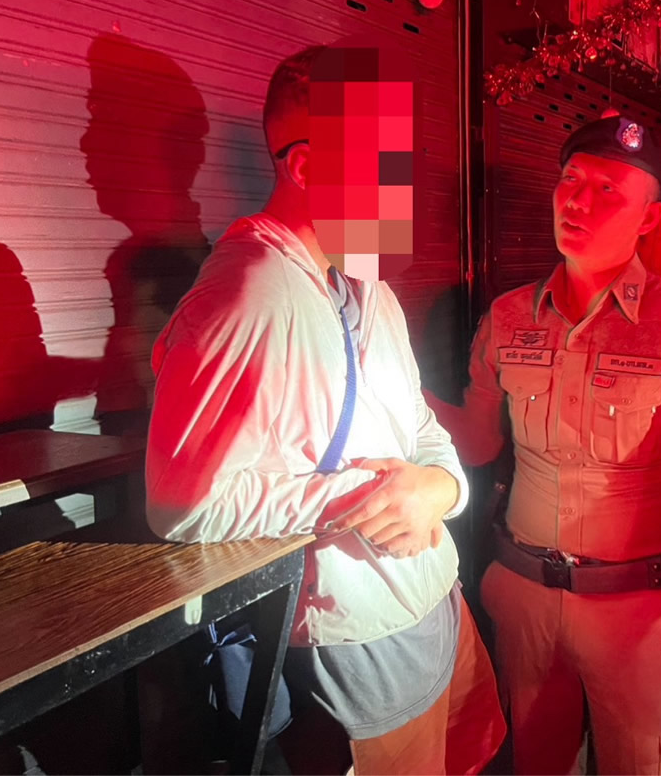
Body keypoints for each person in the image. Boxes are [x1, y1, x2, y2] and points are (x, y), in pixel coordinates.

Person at [145, 43, 505, 776]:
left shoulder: (371, 286)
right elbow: (183, 503)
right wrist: (368, 497)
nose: (404, 188)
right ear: (308, 167)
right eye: (387, 163)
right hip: (360, 640)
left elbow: (421, 426)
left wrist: (439, 489)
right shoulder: (249, 290)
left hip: (439, 596)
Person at [427, 115, 661, 774]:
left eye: (607, 189)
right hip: (521, 602)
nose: (577, 201)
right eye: (570, 179)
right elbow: (478, 442)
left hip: (634, 614)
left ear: (649, 217)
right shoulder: (509, 316)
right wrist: (392, 381)